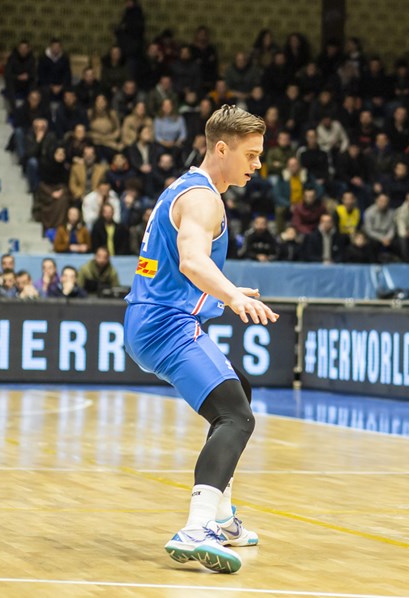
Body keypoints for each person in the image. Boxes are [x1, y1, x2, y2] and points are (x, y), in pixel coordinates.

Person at [124, 105, 276, 573]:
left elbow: (179, 268)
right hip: (164, 326)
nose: (257, 165)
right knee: (236, 416)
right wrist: (229, 295)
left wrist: (221, 293)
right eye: (250, 155)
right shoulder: (204, 199)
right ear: (222, 148)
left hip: (155, 318)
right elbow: (191, 259)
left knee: (238, 394)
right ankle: (196, 527)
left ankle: (225, 519)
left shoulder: (186, 188)